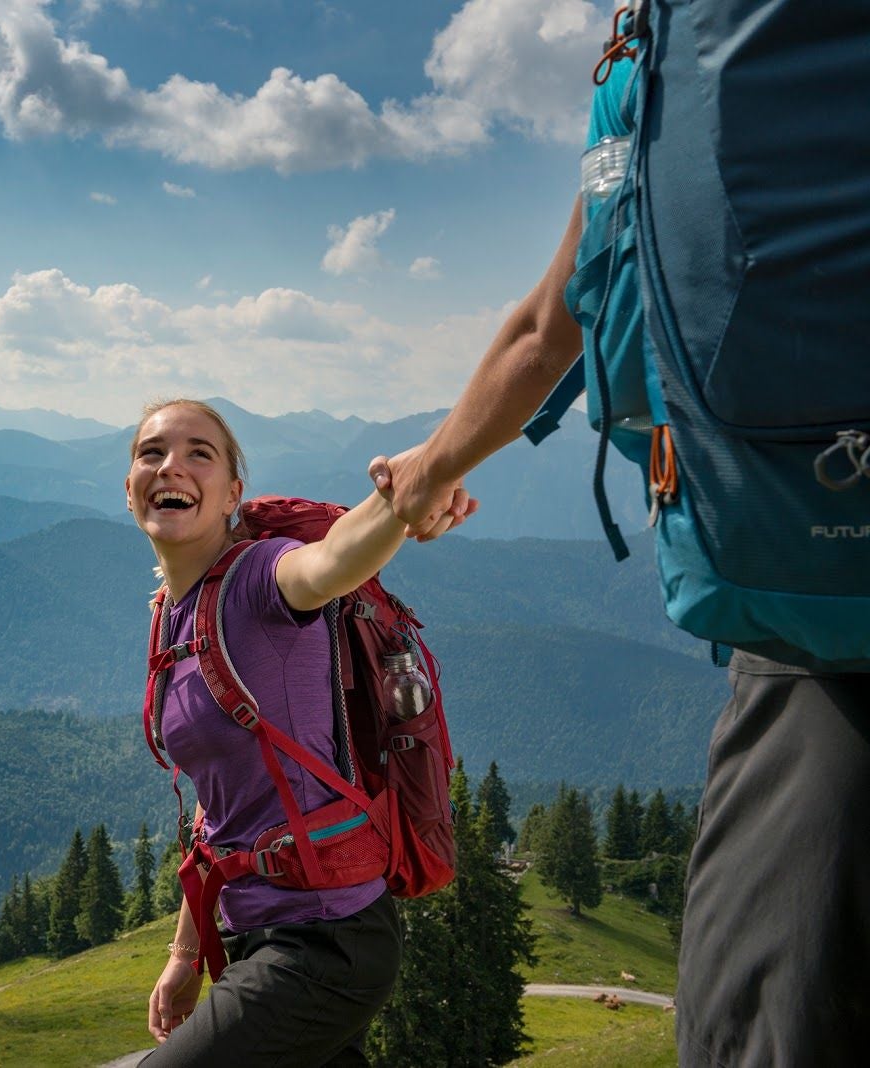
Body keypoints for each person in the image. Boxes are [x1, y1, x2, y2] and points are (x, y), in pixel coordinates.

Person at [370, 47, 870, 1068]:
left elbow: (549, 327)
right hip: (803, 620)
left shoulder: (651, 68)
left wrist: (428, 471)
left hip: (804, 621)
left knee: (754, 1022)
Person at [128, 398, 468, 1066]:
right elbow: (218, 806)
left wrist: (402, 496)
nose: (172, 465)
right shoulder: (173, 615)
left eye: (201, 452)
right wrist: (185, 954)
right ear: (130, 487)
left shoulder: (262, 578)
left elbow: (330, 561)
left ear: (233, 493)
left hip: (328, 939)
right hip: (262, 933)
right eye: (151, 453)